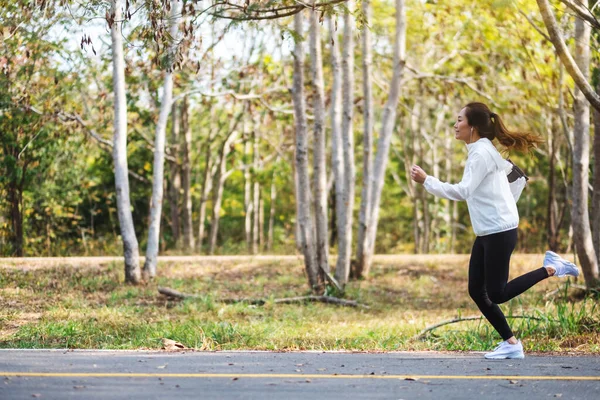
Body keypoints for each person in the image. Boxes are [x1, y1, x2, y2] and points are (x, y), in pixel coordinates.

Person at [409, 102, 579, 359]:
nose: (455, 125)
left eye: (459, 120)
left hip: (499, 230)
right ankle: (511, 344)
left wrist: (427, 181)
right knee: (477, 290)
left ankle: (552, 268)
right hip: (489, 230)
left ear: (473, 127)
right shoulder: (482, 150)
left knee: (497, 293)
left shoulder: (480, 154)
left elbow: (463, 191)